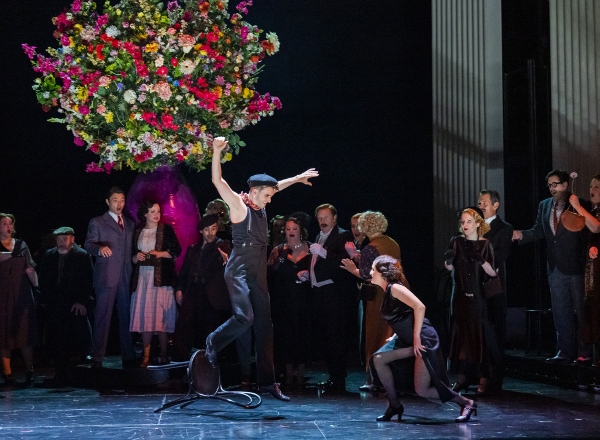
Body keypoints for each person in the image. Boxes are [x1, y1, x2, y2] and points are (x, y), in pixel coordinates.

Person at [205, 136, 318, 401]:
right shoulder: (239, 206)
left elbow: (278, 186)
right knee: (245, 318)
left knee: (265, 326)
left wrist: (298, 177)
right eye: (267, 195)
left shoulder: (262, 202)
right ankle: (213, 342)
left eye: (271, 195)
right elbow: (217, 182)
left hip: (258, 272)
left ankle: (268, 384)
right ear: (254, 191)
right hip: (239, 270)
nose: (270, 199)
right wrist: (216, 152)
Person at [369, 255, 477, 423]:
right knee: (379, 359)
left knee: (423, 390)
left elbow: (419, 307)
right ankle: (394, 405)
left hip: (423, 339)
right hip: (408, 340)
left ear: (382, 272)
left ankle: (467, 403)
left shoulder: (395, 288)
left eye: (373, 269)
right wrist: (396, 335)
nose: (370, 272)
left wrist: (416, 337)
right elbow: (402, 315)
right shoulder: (387, 291)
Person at [512, 170, 592, 364]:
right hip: (555, 267)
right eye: (549, 185)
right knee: (561, 311)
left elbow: (588, 234)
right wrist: (521, 235)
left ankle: (585, 352)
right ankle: (565, 351)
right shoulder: (545, 205)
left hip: (576, 266)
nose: (552, 188)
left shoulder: (578, 204)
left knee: (582, 313)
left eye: (555, 184)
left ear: (565, 185)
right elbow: (539, 230)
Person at [340, 211, 399, 392]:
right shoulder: (391, 243)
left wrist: (351, 268)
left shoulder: (371, 247)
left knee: (374, 335)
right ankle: (391, 377)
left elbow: (366, 275)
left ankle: (373, 378)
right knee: (390, 333)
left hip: (377, 296)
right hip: (396, 292)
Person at [445, 207, 501, 395]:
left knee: (479, 336)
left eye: (469, 221)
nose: (465, 225)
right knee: (461, 336)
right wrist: (448, 260)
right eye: (463, 222)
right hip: (459, 295)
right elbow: (449, 268)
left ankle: (483, 379)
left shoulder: (486, 245)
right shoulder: (457, 242)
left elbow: (493, 273)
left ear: (478, 222)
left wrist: (481, 260)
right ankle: (461, 379)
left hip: (478, 296)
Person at [84, 187, 137, 369]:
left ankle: (128, 356)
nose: (119, 204)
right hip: (106, 276)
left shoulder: (130, 224)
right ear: (108, 202)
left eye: (122, 200)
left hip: (125, 275)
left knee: (126, 316)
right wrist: (99, 248)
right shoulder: (98, 222)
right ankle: (98, 357)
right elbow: (88, 244)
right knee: (102, 317)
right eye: (115, 200)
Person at [310, 203, 357, 392]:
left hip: (336, 296)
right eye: (319, 218)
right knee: (326, 337)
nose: (322, 221)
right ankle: (333, 376)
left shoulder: (343, 235)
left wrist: (325, 253)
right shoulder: (319, 236)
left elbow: (345, 264)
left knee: (336, 337)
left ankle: (338, 379)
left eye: (326, 217)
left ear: (335, 218)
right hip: (322, 294)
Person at [38, 227, 94, 383]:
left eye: (65, 238)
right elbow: (44, 279)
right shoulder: (50, 255)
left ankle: (83, 360)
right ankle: (61, 372)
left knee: (76, 327)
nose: (61, 242)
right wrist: (46, 300)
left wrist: (81, 300)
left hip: (74, 301)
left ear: (72, 239)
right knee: (56, 336)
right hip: (56, 302)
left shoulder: (81, 256)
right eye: (59, 239)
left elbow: (88, 280)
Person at [173, 214, 232, 362]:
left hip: (211, 294)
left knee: (210, 329)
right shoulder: (193, 249)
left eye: (213, 228)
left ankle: (209, 364)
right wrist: (179, 289)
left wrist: (226, 256)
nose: (211, 232)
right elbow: (185, 271)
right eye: (207, 229)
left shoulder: (221, 244)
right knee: (184, 325)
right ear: (201, 231)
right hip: (193, 289)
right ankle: (181, 363)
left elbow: (226, 251)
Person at [130, 201, 181, 367]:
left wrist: (158, 253)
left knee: (161, 317)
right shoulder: (137, 231)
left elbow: (176, 251)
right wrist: (137, 257)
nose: (156, 214)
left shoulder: (166, 229)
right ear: (145, 214)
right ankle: (146, 355)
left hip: (160, 279)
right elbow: (131, 256)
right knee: (145, 317)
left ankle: (164, 353)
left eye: (158, 211)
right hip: (143, 279)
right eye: (152, 211)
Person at [267, 212, 313, 388]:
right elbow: (269, 275)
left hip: (304, 301)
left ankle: (300, 374)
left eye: (295, 228)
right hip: (283, 302)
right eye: (288, 229)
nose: (291, 231)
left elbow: (319, 273)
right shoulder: (278, 250)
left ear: (301, 231)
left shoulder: (310, 248)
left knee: (302, 336)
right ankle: (287, 373)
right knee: (285, 337)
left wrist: (308, 275)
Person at [478, 189, 514, 393]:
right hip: (474, 284)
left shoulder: (504, 228)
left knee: (494, 332)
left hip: (493, 285)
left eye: (484, 202)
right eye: (479, 202)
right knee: (479, 331)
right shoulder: (474, 225)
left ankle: (494, 377)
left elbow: (500, 257)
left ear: (495, 204)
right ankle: (476, 375)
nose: (481, 205)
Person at [0, 213, 39, 386]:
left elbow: (30, 268)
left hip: (22, 294)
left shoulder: (22, 245)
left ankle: (29, 370)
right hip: (2, 296)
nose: (7, 227)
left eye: (10, 223)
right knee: (4, 334)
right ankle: (7, 373)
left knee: (25, 334)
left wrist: (37, 288)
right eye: (3, 223)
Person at [569, 174, 600, 365]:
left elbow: (597, 228)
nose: (592, 189)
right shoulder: (593, 210)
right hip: (591, 269)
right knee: (591, 310)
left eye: (597, 186)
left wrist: (578, 208)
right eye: (591, 186)